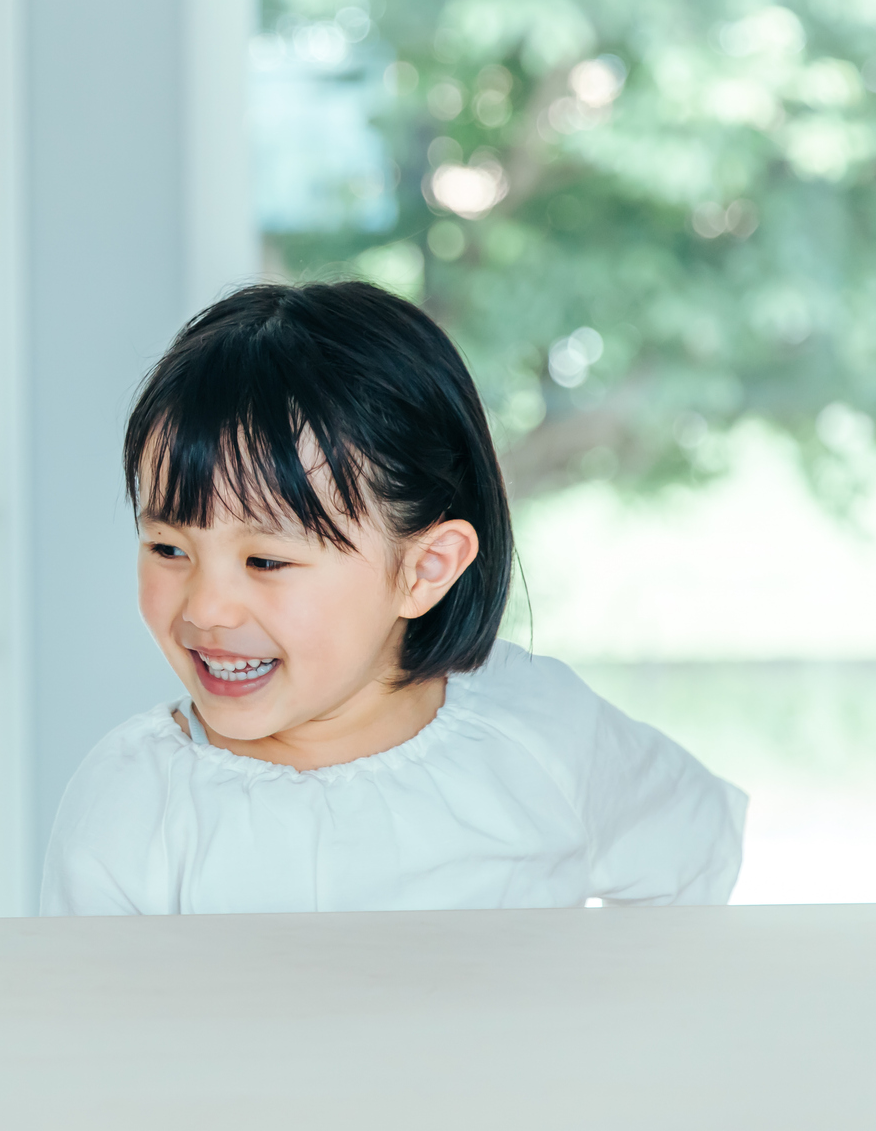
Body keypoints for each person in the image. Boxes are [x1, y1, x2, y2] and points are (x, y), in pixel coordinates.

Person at [41, 281, 746, 915]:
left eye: (265, 559)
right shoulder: (131, 798)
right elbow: (86, 1029)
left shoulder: (539, 731)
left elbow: (690, 857)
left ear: (423, 569)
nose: (205, 609)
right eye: (168, 549)